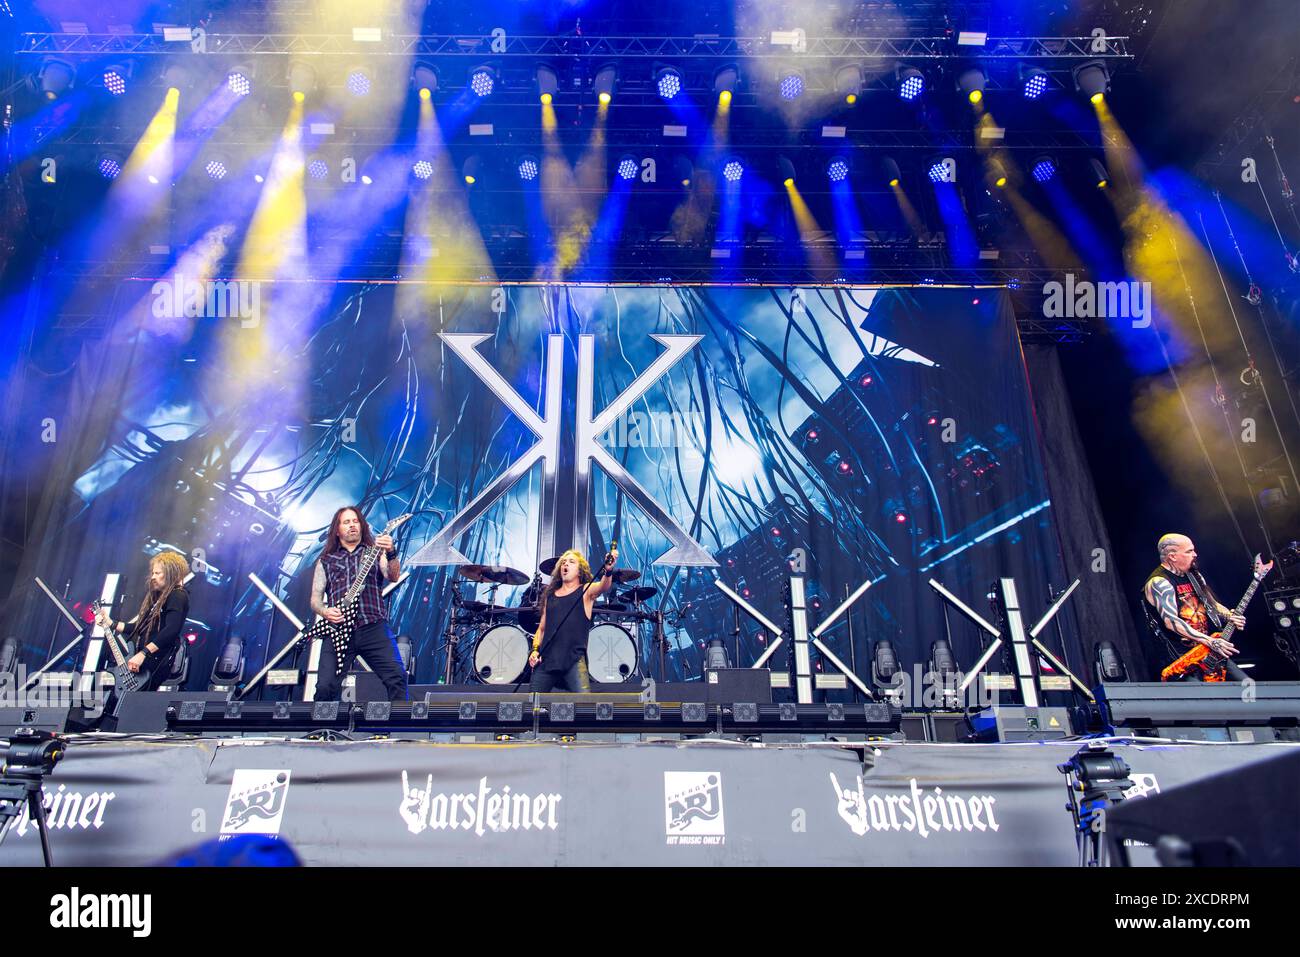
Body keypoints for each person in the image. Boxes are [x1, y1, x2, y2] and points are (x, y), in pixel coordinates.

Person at [309, 506, 408, 701]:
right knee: (325, 687)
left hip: (373, 625)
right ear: (337, 530)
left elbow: (393, 576)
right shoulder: (326, 561)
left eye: (355, 521)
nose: (352, 525)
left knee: (397, 677)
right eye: (346, 522)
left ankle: (399, 730)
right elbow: (315, 599)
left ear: (361, 526)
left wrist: (391, 552)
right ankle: (323, 730)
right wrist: (325, 611)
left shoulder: (375, 552)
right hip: (339, 630)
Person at [1143, 533, 1247, 681]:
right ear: (1172, 556)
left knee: (1245, 683)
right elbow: (1171, 622)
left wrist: (1230, 616)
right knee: (1202, 697)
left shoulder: (1193, 576)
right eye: (1189, 551)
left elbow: (1212, 604)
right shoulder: (1160, 582)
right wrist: (1209, 641)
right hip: (1179, 659)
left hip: (1206, 650)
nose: (1195, 554)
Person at [94, 551, 191, 690]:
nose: (153, 577)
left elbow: (171, 630)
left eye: (158, 573)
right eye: (153, 573)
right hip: (143, 660)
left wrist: (144, 653)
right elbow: (137, 627)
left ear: (171, 574)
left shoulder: (177, 595)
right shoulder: (157, 598)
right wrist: (111, 623)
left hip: (155, 660)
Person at [527, 546, 618, 693]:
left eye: (571, 562)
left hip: (574, 660)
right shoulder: (550, 596)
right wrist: (535, 650)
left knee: (583, 706)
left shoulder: (586, 591)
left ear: (579, 570)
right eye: (563, 562)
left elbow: (603, 586)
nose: (566, 564)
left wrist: (608, 570)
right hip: (547, 660)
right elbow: (541, 629)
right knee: (532, 705)